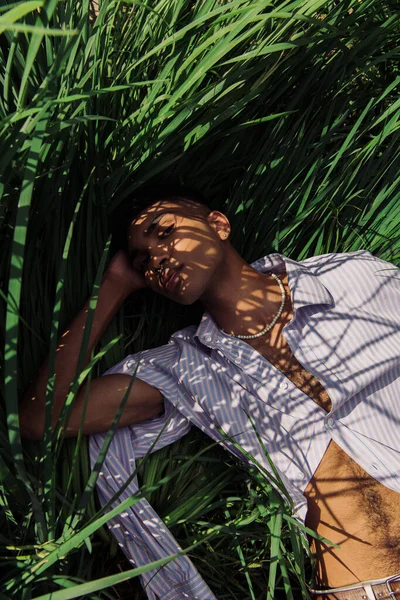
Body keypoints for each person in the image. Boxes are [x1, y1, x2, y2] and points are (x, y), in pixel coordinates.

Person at [20, 188, 400, 600]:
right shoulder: (186, 366)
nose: (155, 259)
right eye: (142, 261)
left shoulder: (354, 275)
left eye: (164, 233)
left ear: (218, 225)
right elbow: (41, 418)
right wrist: (113, 285)